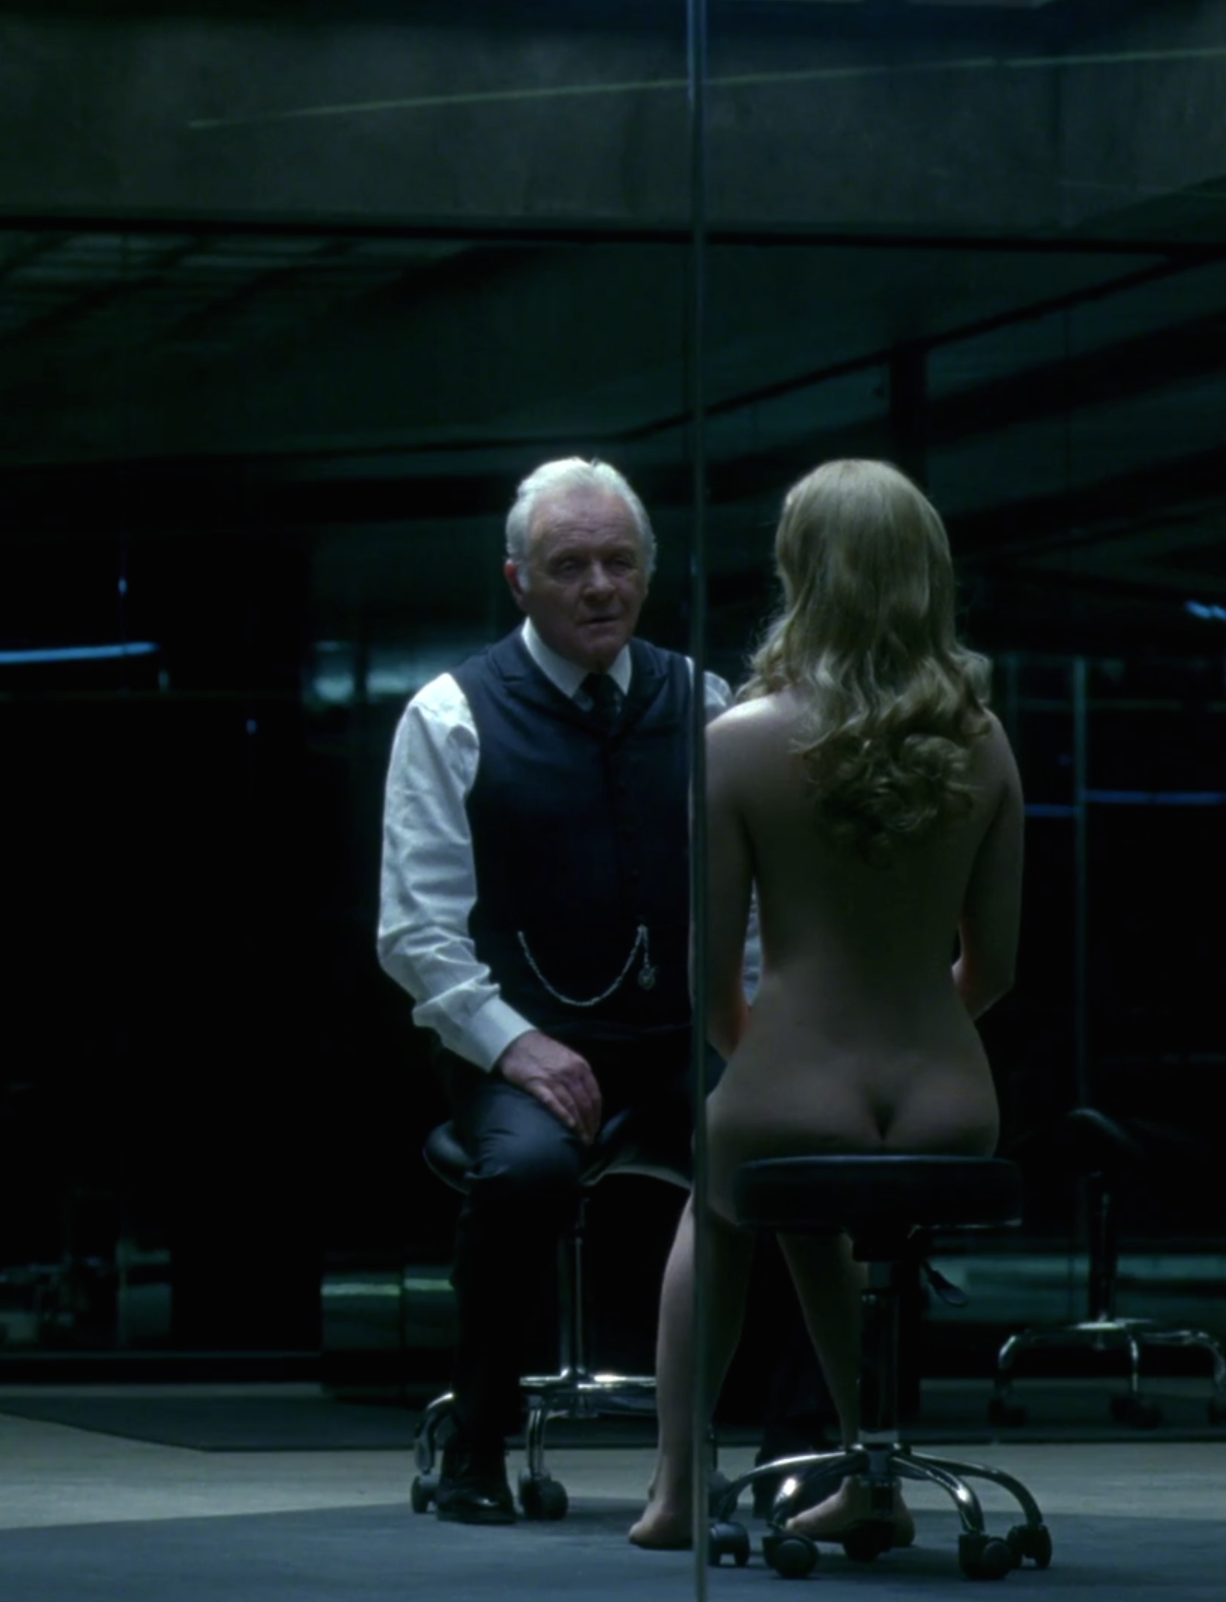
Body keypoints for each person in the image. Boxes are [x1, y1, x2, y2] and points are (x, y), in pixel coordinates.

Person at [379, 457, 833, 1526]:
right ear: (518, 580)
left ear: (649, 573)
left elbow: (749, 911)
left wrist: (758, 1043)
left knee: (787, 1154)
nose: (599, 587)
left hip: (681, 1034)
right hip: (517, 1043)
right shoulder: (450, 714)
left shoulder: (707, 704)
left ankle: (800, 1449)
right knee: (526, 1174)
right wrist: (515, 1044)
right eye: (570, 566)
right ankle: (477, 1441)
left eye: (620, 563)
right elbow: (415, 933)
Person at [626, 459, 1022, 1550]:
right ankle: (875, 1480)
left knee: (723, 1199)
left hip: (795, 1084)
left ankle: (677, 1490)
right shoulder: (984, 741)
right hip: (951, 1100)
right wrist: (916, 1031)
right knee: (813, 1211)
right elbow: (995, 968)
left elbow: (712, 982)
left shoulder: (739, 742)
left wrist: (775, 1064)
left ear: (799, 571)